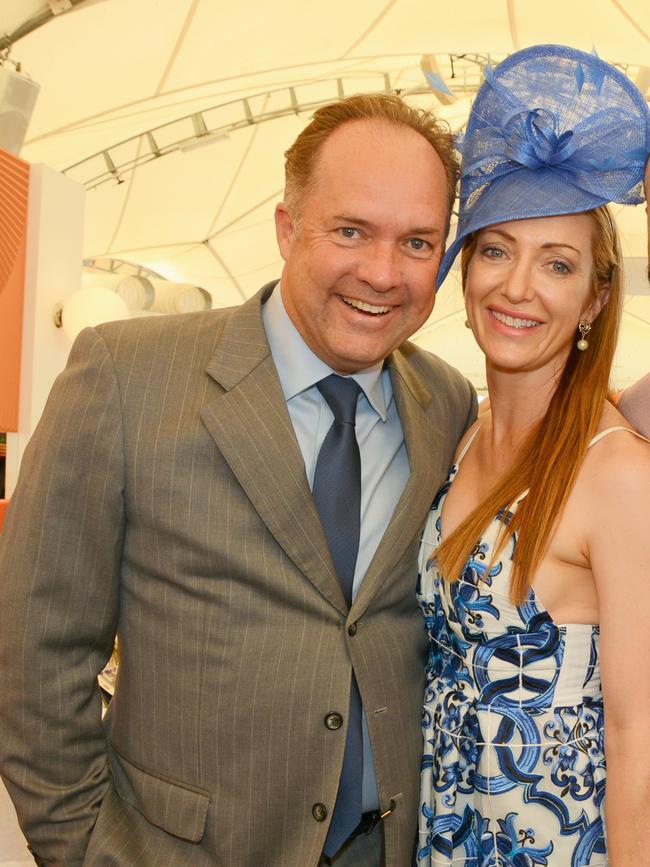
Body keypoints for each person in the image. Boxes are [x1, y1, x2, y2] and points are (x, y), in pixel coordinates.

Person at [0, 94, 477, 867]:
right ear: (288, 228)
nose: (383, 273)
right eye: (351, 230)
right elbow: (30, 650)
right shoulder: (126, 377)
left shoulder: (445, 401)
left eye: (418, 242)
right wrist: (87, 848)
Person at [416, 45, 650, 866]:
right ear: (465, 265)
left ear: (593, 297)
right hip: (446, 838)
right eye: (495, 248)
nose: (518, 287)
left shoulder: (616, 473)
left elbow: (639, 735)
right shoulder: (461, 428)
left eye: (557, 264)